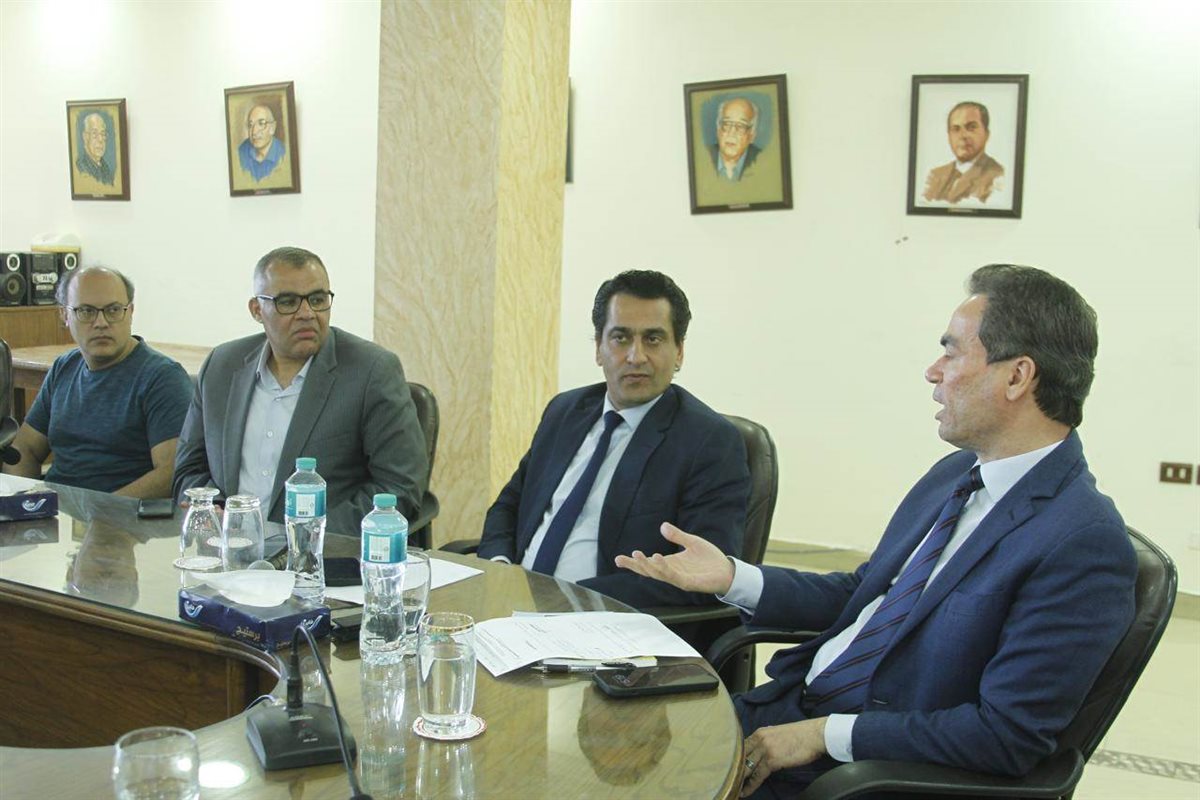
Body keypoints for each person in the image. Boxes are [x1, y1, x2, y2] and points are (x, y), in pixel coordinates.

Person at [618, 264, 1137, 796]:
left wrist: (824, 735)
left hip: (862, 773)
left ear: (1017, 377)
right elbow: (864, 594)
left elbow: (1006, 736)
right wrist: (733, 576)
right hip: (786, 711)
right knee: (613, 747)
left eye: (952, 352)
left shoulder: (1084, 544)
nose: (933, 372)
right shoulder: (958, 474)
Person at [477, 269, 750, 609]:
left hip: (602, 619)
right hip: (512, 603)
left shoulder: (709, 442)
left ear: (679, 351)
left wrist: (568, 600)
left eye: (653, 339)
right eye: (621, 338)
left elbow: (701, 575)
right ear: (598, 348)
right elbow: (509, 505)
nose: (636, 356)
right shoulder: (565, 411)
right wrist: (500, 569)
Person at [173, 246, 427, 535]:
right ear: (257, 310)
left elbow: (399, 487)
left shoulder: (371, 372)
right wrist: (213, 511)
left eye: (317, 300)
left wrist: (307, 536)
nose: (307, 314)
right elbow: (189, 470)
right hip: (228, 548)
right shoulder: (222, 366)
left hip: (321, 553)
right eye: (288, 302)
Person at [4, 266, 192, 497]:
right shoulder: (64, 367)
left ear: (131, 312)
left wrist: (99, 511)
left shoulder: (162, 377)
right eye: (86, 311)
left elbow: (170, 472)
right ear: (64, 315)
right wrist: (24, 500)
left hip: (121, 515)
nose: (101, 322)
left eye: (113, 310)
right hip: (56, 512)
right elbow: (25, 449)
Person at [922, 101, 1005, 203]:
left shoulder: (997, 177)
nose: (963, 136)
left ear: (986, 134)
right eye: (956, 129)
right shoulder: (935, 175)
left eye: (971, 128)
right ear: (949, 136)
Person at [710, 97, 762, 181]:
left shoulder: (763, 161)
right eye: (727, 124)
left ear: (751, 136)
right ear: (718, 130)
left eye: (741, 126)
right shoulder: (703, 157)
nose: (732, 132)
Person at [238, 104, 286, 182]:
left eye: (261, 123)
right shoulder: (241, 151)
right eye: (250, 125)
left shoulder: (284, 155)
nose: (254, 132)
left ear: (272, 128)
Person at [76, 112, 115, 185]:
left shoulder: (106, 169)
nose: (100, 139)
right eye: (94, 133)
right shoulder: (80, 168)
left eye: (103, 134)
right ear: (85, 137)